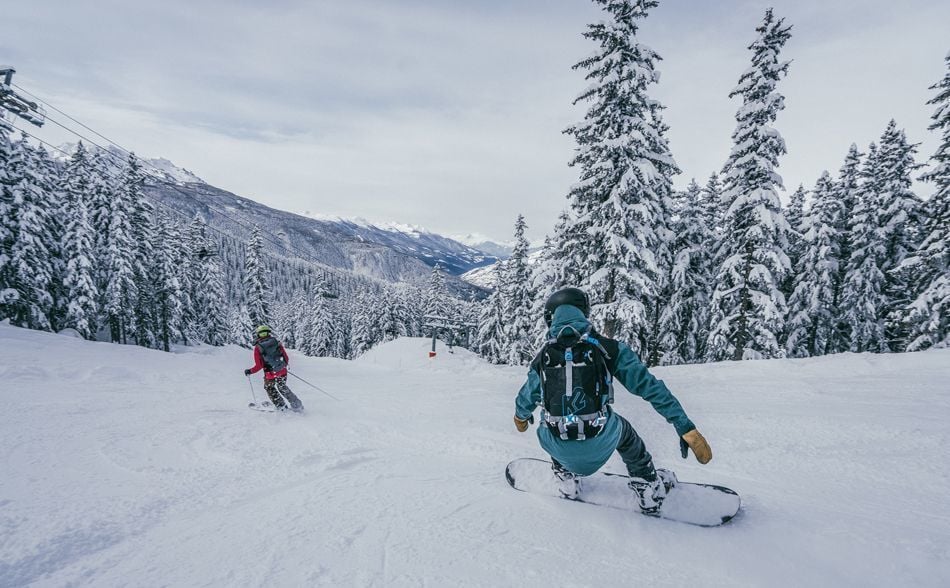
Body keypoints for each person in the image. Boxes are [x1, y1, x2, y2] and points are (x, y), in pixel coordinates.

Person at [513, 287, 712, 513]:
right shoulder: (609, 349)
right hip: (600, 441)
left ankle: (566, 477)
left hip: (556, 445)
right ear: (583, 313)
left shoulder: (543, 357)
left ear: (551, 317)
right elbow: (651, 388)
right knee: (625, 433)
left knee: (545, 421)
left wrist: (520, 417)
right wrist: (683, 425)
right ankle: (647, 486)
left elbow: (526, 398)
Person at [244, 325, 304, 412]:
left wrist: (250, 371)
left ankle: (281, 406)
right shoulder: (277, 343)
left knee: (269, 388)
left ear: (258, 335)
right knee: (282, 387)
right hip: (282, 371)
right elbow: (286, 358)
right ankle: (297, 405)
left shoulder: (258, 348)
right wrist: (281, 367)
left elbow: (259, 366)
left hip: (270, 374)